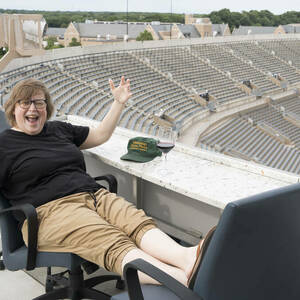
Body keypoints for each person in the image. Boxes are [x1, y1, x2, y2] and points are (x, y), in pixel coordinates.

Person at [0, 77, 204, 287]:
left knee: (135, 221)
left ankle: (187, 259)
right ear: (13, 109)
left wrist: (118, 102)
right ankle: (182, 280)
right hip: (49, 212)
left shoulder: (58, 129)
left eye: (39, 102)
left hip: (94, 195)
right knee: (111, 240)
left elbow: (100, 135)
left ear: (46, 107)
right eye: (25, 103)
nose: (33, 108)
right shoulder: (4, 145)